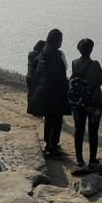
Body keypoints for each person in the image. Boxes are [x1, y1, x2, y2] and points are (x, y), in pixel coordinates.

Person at [70, 38, 102, 170]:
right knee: (93, 131)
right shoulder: (95, 64)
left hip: (78, 102)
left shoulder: (74, 63)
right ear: (91, 49)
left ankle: (79, 159)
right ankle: (92, 159)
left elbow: (72, 79)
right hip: (94, 102)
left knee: (78, 130)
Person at [35, 28, 69, 158]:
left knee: (49, 119)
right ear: (58, 41)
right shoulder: (56, 55)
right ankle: (53, 146)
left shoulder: (43, 52)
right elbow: (60, 73)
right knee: (57, 120)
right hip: (56, 91)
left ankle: (48, 145)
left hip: (44, 90)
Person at [25, 39, 46, 117]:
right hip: (36, 78)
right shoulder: (40, 56)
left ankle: (30, 108)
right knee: (37, 94)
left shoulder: (30, 54)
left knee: (30, 93)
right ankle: (36, 110)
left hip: (29, 76)